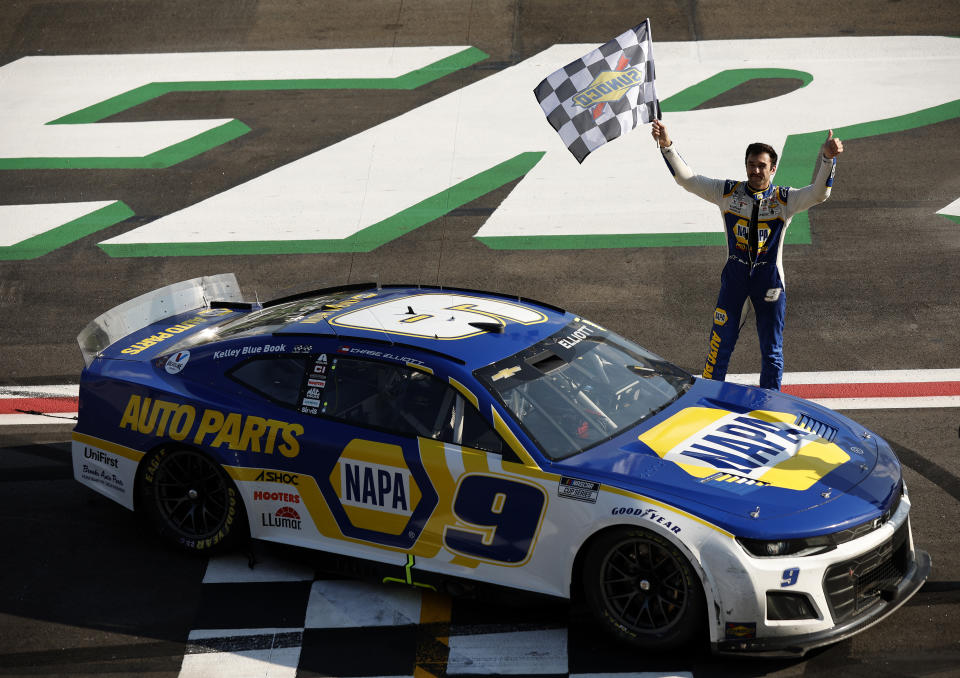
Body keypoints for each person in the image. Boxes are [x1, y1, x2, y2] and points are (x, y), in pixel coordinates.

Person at [651, 119, 843, 390]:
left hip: (770, 284)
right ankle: (708, 406)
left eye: (762, 166)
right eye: (751, 164)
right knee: (718, 350)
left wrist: (827, 159)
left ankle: (769, 408)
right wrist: (666, 145)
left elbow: (819, 194)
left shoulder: (783, 199)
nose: (755, 170)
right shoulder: (727, 192)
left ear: (773, 169)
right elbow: (687, 180)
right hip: (735, 281)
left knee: (772, 353)